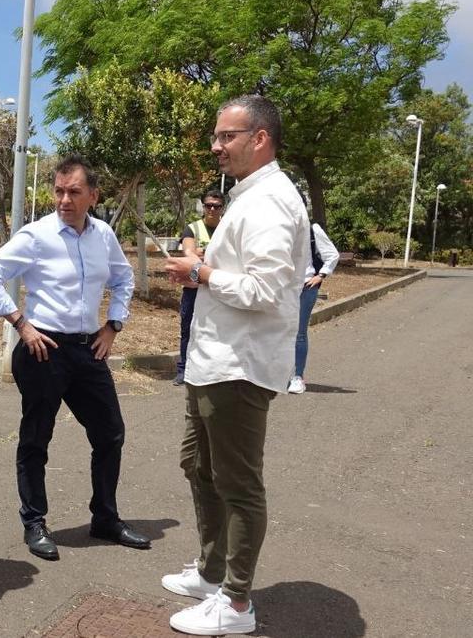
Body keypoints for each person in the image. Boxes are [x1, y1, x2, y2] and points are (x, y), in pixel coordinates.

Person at [163, 95, 310, 635]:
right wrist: (202, 267)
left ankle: (237, 605)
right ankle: (211, 571)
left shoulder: (271, 200)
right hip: (213, 359)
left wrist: (201, 274)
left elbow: (267, 290)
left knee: (239, 483)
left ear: (260, 138)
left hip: (238, 366)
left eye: (227, 136)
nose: (216, 146)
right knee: (197, 465)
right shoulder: (248, 196)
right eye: (216, 135)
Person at [0, 154, 150, 563]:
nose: (64, 200)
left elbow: (124, 278)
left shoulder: (103, 234)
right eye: (58, 191)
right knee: (37, 439)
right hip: (43, 349)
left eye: (73, 192)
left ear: (93, 195)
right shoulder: (36, 236)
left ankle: (105, 517)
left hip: (88, 348)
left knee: (110, 433)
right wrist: (20, 323)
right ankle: (34, 522)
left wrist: (113, 326)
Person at [174, 189, 226, 386]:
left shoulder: (227, 228)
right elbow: (188, 253)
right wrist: (200, 256)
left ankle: (215, 370)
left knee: (218, 329)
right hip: (193, 288)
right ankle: (183, 369)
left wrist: (202, 252)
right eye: (208, 205)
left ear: (222, 208)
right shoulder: (192, 228)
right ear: (203, 207)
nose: (212, 209)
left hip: (219, 288)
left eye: (216, 206)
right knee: (188, 329)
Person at [289, 216, 339, 393]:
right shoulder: (278, 226)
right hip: (283, 289)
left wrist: (321, 275)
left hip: (305, 287)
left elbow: (332, 254)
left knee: (299, 333)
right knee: (278, 331)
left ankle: (298, 376)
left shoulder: (312, 229)